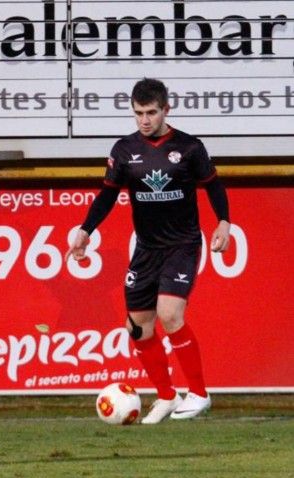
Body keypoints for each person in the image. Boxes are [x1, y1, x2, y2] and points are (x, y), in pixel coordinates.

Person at [67, 78, 230, 424]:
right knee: (139, 327)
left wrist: (224, 222)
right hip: (146, 249)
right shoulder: (125, 150)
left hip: (182, 244)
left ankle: (199, 393)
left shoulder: (189, 148)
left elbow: (213, 185)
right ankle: (167, 396)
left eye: (151, 112)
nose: (145, 119)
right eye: (139, 113)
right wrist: (85, 230)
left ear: (165, 110)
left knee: (170, 315)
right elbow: (108, 194)